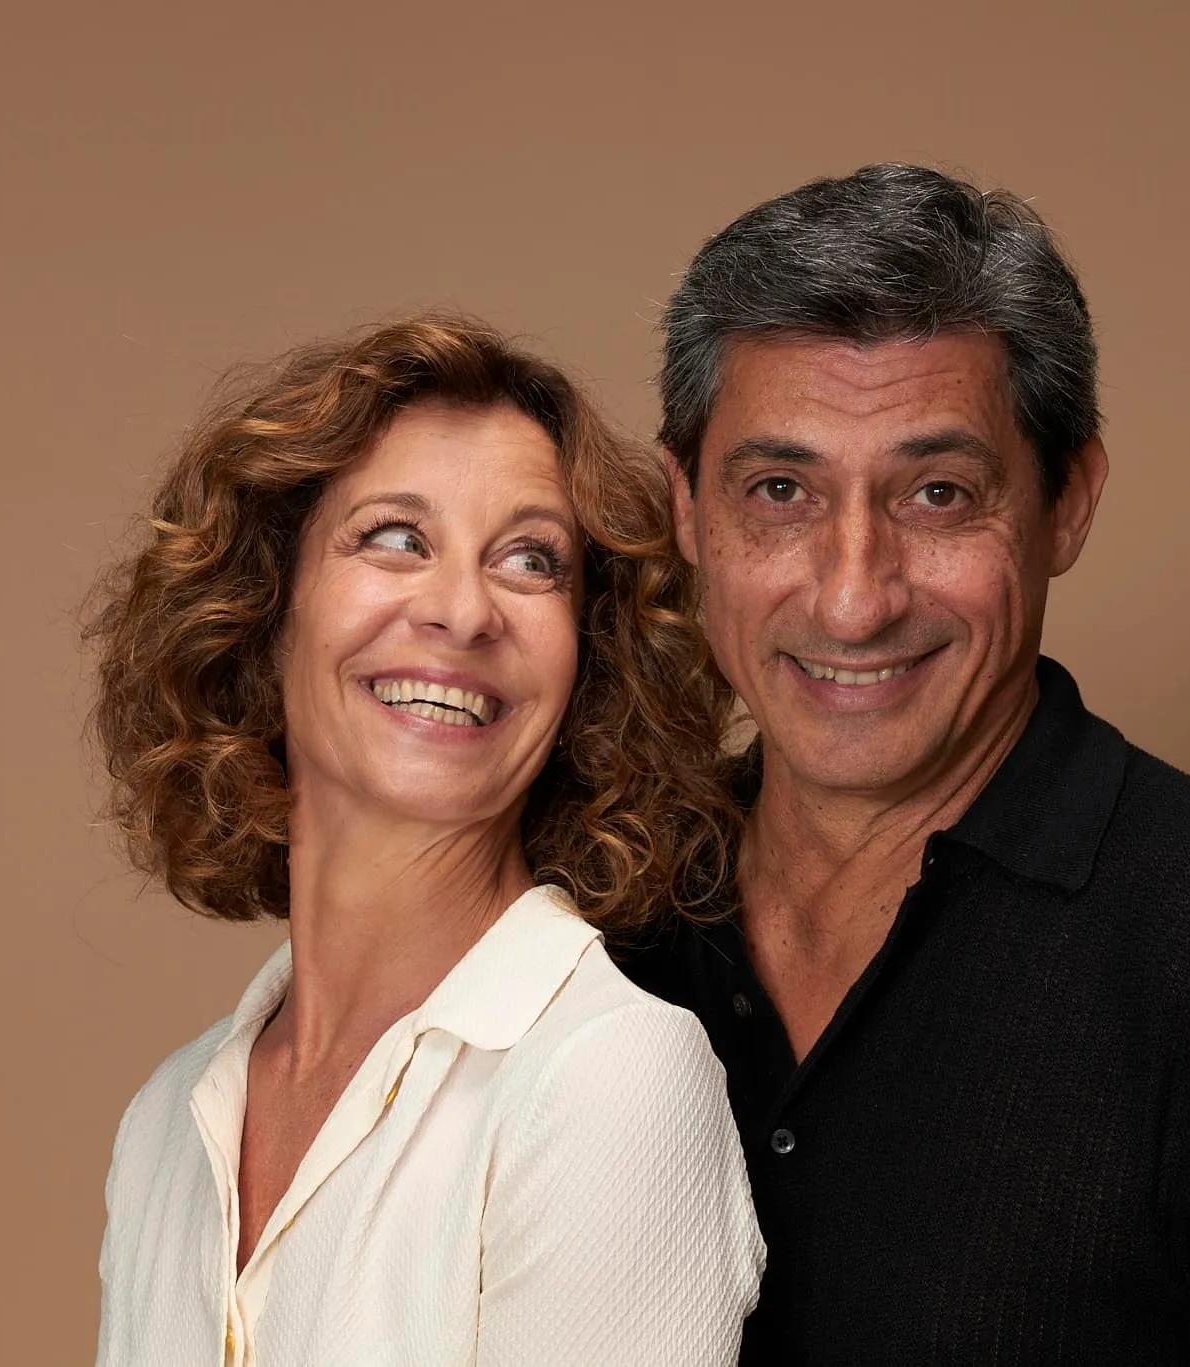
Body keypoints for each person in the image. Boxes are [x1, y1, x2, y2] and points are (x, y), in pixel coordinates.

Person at [621, 164, 1190, 1365]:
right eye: (779, 491)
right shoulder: (614, 912)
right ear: (686, 508)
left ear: (1066, 503)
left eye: (937, 493)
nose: (853, 598)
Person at [86, 317, 762, 1366]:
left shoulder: (606, 1079)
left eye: (530, 560)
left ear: (588, 662)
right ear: (267, 610)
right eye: (396, 538)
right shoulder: (168, 1122)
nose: (462, 610)